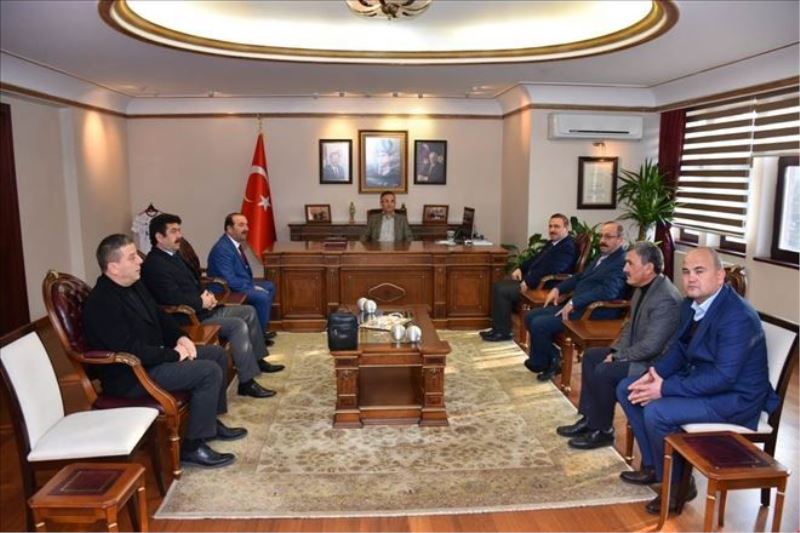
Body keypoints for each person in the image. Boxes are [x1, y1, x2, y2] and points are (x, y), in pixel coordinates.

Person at [617, 247, 778, 514]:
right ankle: (655, 467)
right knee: (628, 387)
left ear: (720, 276)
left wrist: (664, 388)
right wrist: (656, 374)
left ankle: (677, 485)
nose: (691, 278)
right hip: (704, 381)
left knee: (657, 411)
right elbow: (681, 348)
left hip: (734, 399)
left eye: (699, 271)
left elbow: (724, 377)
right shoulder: (691, 305)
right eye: (686, 271)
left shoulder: (737, 316)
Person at [83, 234, 246, 469]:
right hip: (132, 375)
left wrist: (181, 337)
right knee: (208, 371)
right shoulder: (102, 303)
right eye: (132, 257)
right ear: (113, 267)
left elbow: (160, 316)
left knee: (216, 354)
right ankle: (192, 447)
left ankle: (209, 423)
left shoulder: (134, 284)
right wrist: (175, 354)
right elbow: (131, 350)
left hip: (153, 359)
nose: (140, 261)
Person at [555, 242, 682, 450]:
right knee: (592, 356)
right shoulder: (642, 288)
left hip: (652, 364)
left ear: (648, 268)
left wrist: (617, 357)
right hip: (638, 353)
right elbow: (628, 327)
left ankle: (603, 431)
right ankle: (590, 419)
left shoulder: (666, 299)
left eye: (630, 264)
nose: (624, 269)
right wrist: (615, 351)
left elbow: (652, 346)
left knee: (605, 371)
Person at [141, 214, 283, 398]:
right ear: (159, 237)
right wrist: (202, 302)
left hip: (204, 309)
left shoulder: (174, 256)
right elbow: (171, 298)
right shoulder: (155, 264)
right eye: (174, 231)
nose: (179, 235)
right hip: (188, 318)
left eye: (179, 230)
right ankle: (247, 382)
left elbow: (193, 282)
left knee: (248, 311)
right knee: (237, 325)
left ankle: (257, 359)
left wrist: (207, 295)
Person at [525, 221, 627, 382]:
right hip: (578, 306)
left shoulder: (621, 262)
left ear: (620, 240)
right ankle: (552, 357)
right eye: (601, 236)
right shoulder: (603, 256)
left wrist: (574, 302)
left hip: (594, 313)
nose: (602, 240)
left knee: (539, 324)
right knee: (531, 316)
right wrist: (558, 289)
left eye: (608, 237)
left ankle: (546, 362)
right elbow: (580, 276)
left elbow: (608, 291)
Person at [480, 214, 577, 342]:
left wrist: (529, 281)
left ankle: (502, 332)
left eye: (556, 227)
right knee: (499, 285)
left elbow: (553, 269)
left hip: (546, 287)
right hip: (535, 281)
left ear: (566, 228)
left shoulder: (567, 247)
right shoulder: (553, 243)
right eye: (550, 226)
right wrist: (521, 268)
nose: (552, 229)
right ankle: (499, 329)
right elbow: (535, 259)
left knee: (502, 290)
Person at [207, 213, 277, 339]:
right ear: (229, 229)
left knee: (269, 286)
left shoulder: (234, 244)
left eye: (246, 225)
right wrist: (251, 287)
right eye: (241, 225)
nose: (246, 229)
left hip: (237, 284)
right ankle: (258, 337)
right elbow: (228, 280)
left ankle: (259, 330)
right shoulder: (223, 249)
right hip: (225, 290)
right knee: (262, 296)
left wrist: (251, 285)